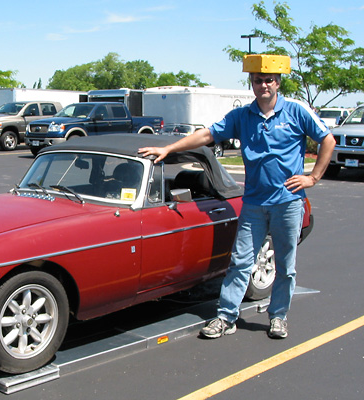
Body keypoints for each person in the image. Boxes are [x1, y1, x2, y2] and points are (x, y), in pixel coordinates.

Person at [138, 54, 336, 339]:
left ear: (278, 82)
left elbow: (326, 140)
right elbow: (207, 135)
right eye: (258, 80)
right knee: (240, 262)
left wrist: (313, 177)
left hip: (288, 203)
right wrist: (169, 148)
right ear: (252, 83)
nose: (264, 85)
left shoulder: (296, 112)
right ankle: (226, 317)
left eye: (269, 80)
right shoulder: (242, 116)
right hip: (254, 203)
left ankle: (278, 317)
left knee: (285, 266)